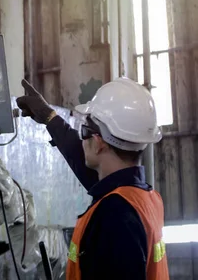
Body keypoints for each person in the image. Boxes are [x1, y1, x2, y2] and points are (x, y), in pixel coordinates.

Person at [16, 77, 169, 280]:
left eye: (84, 131)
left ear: (98, 143)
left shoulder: (115, 216)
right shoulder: (142, 198)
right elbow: (85, 164)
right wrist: (49, 117)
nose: (82, 140)